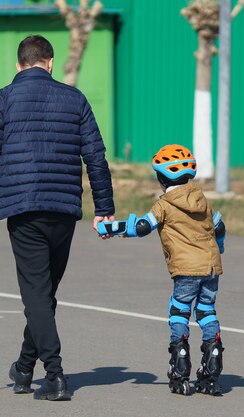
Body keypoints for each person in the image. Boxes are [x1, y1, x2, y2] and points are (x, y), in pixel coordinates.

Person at [0, 35, 115, 401]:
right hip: (63, 213)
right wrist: (105, 210)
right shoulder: (74, 98)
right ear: (50, 62)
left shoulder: (2, 99)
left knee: (37, 297)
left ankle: (56, 375)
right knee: (43, 296)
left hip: (22, 210)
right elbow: (96, 157)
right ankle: (24, 367)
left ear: (19, 65)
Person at [97, 144, 226, 396]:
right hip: (211, 268)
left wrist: (110, 230)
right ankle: (213, 360)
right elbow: (219, 227)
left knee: (178, 311)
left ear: (161, 178)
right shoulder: (202, 200)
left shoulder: (164, 205)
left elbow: (143, 227)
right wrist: (218, 248)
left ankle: (180, 363)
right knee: (206, 311)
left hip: (186, 269)